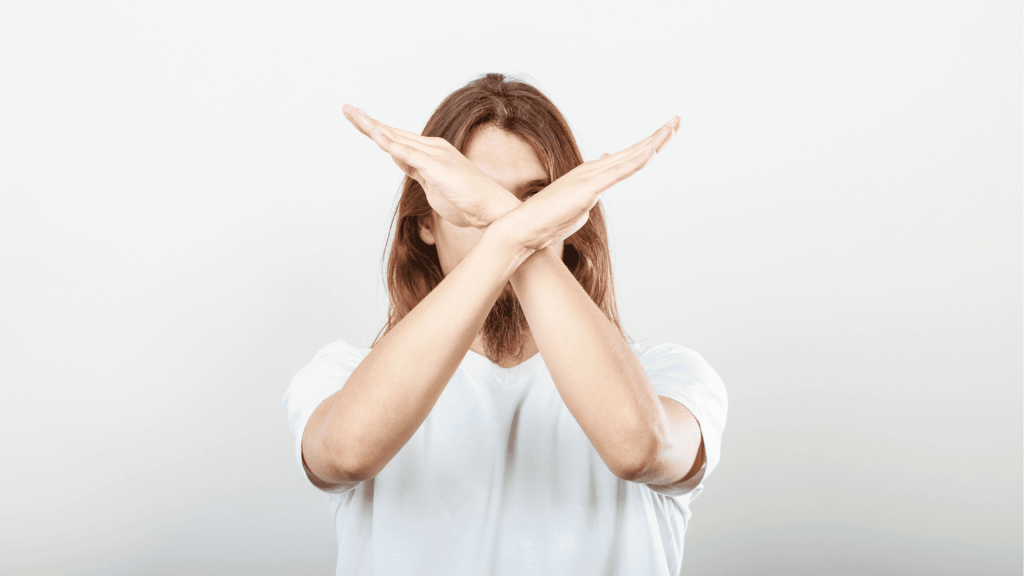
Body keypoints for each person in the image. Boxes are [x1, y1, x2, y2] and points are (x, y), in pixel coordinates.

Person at [282, 73, 728, 576]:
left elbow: (637, 448)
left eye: (538, 198)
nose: (509, 219)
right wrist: (517, 231)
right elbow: (345, 454)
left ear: (571, 216)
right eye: (471, 201)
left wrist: (500, 227)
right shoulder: (344, 374)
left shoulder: (668, 377)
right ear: (425, 223)